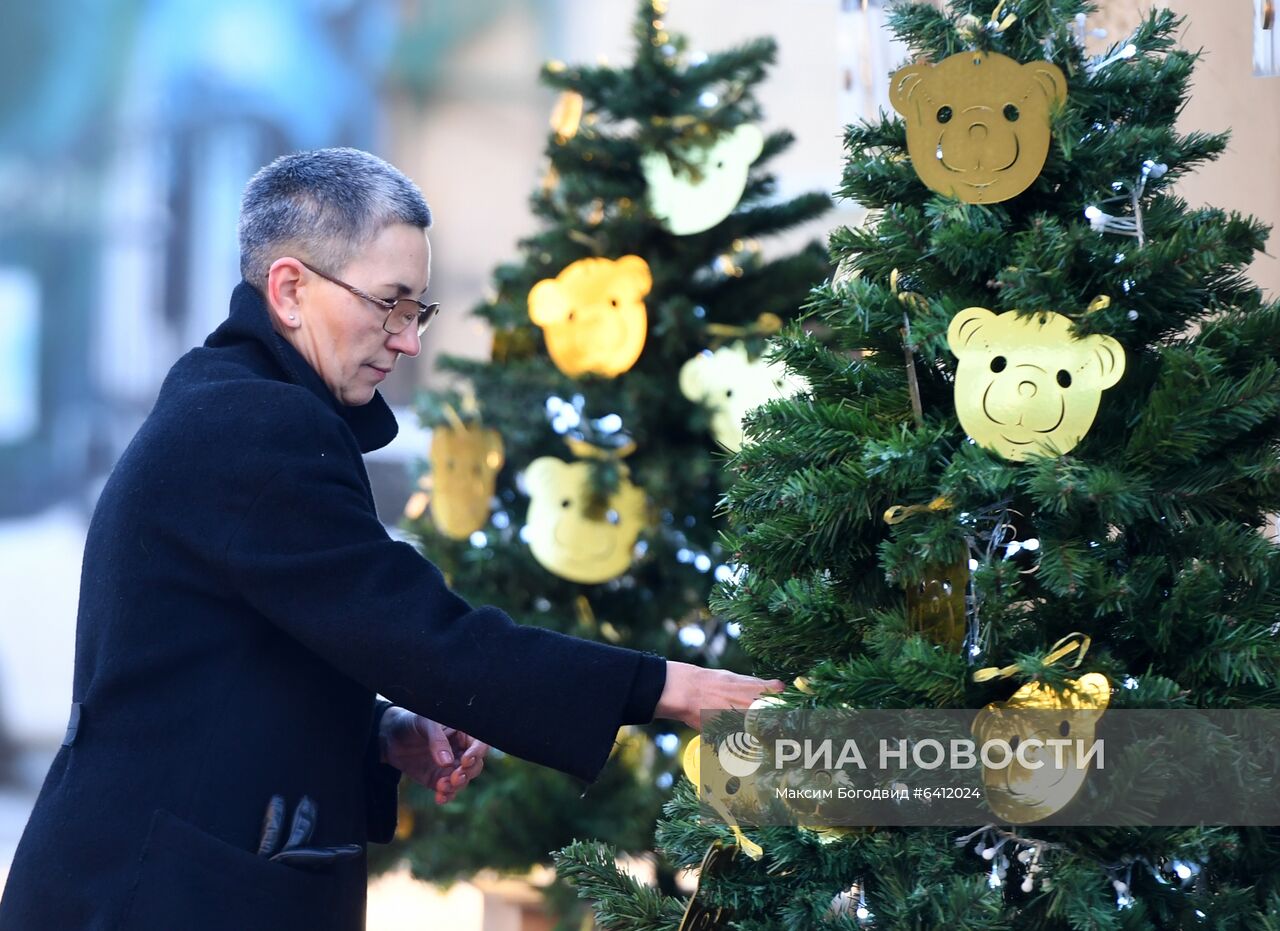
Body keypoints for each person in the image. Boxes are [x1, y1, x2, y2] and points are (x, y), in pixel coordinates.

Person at [0, 148, 782, 930]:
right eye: (389, 303)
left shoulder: (229, 402)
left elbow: (232, 658)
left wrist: (381, 732)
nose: (407, 340)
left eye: (417, 311)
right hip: (153, 897)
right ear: (290, 289)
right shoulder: (253, 426)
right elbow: (426, 636)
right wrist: (671, 688)